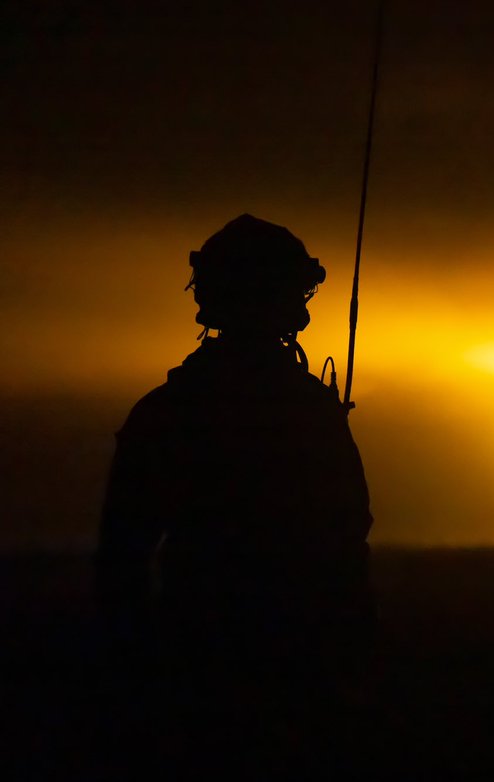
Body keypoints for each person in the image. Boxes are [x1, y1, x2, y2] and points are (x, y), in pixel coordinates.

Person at [95, 214, 374, 684]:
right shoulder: (309, 412)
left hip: (194, 653)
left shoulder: (165, 410)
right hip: (298, 658)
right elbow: (348, 536)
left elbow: (123, 551)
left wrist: (134, 665)